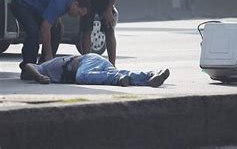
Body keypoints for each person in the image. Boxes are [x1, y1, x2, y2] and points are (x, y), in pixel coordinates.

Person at [10, 0, 90, 79]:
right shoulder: (61, 1)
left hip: (36, 6)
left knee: (57, 29)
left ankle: (43, 66)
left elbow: (52, 3)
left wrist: (57, 20)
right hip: (21, 3)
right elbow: (45, 28)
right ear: (75, 4)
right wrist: (49, 54)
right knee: (33, 33)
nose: (77, 16)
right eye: (78, 12)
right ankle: (28, 68)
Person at [23, 53, 170, 87]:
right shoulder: (49, 70)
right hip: (98, 65)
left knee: (81, 77)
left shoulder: (44, 67)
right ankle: (149, 76)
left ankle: (118, 80)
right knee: (115, 74)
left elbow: (28, 66)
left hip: (87, 60)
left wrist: (38, 76)